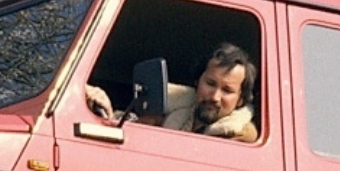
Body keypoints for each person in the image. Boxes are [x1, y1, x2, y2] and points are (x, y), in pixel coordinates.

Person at [87, 42, 259, 142]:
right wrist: (106, 110)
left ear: (241, 100)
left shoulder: (241, 137)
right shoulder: (174, 113)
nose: (215, 97)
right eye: (210, 83)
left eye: (227, 90)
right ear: (197, 82)